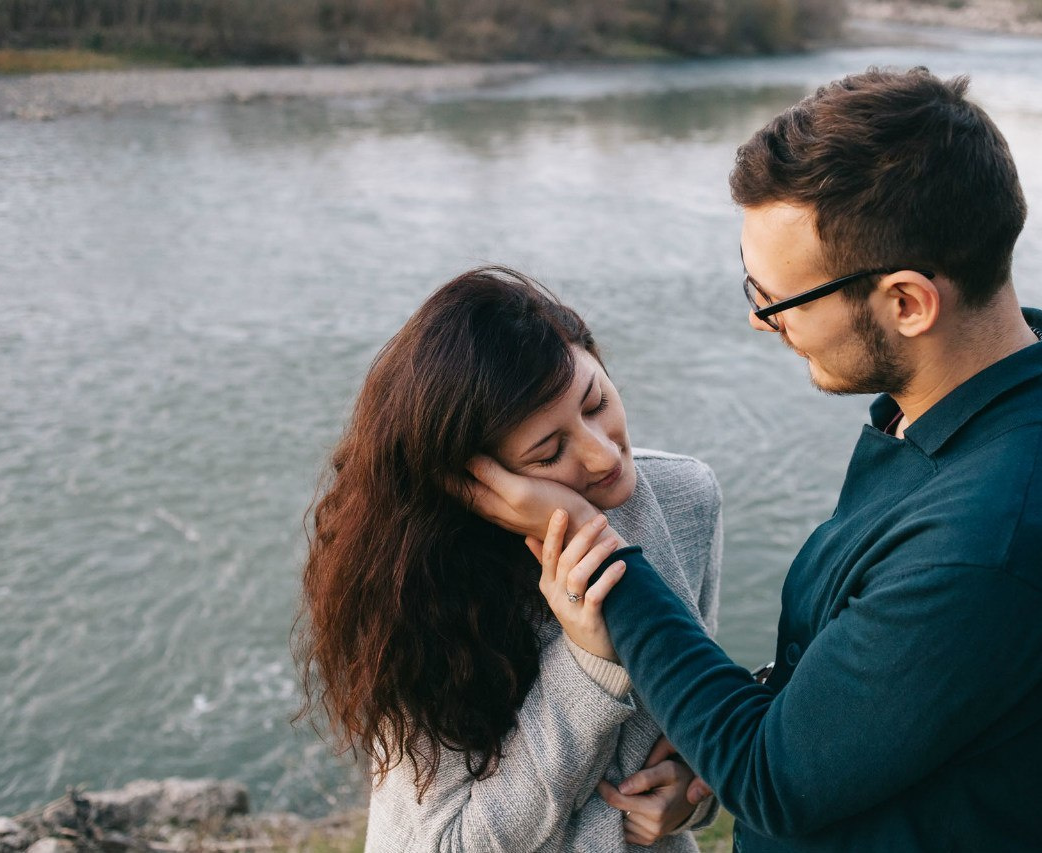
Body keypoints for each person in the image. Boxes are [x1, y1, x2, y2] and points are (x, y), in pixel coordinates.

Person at [466, 68, 1042, 852]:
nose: (762, 321)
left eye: (779, 299)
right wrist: (711, 751)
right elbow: (882, 694)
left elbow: (770, 777)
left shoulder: (999, 541)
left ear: (907, 302)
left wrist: (597, 551)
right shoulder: (954, 422)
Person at [293, 266, 723, 852]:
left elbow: (701, 719)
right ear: (477, 479)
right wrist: (588, 663)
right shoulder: (421, 582)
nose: (603, 455)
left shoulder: (685, 497)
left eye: (596, 403)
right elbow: (449, 843)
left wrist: (692, 796)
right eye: (549, 453)